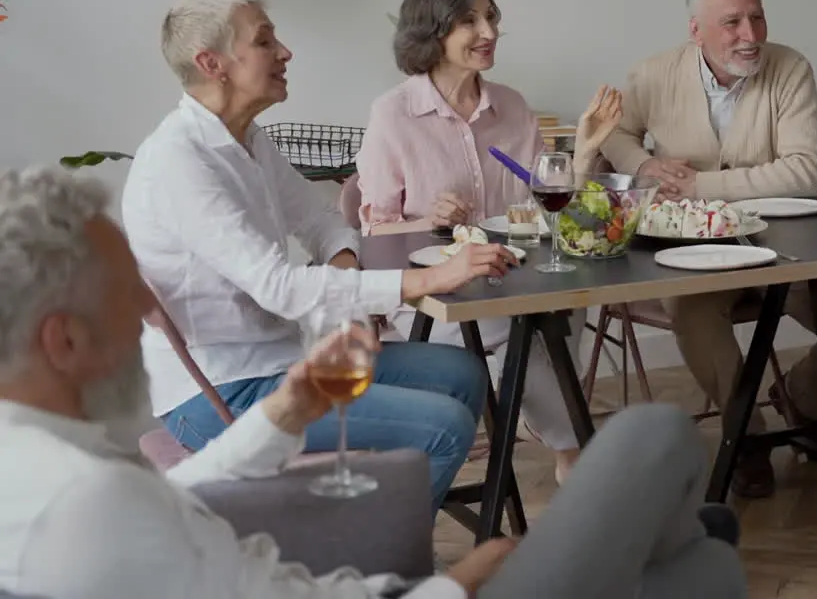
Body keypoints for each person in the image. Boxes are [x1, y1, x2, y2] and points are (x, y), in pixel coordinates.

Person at [0, 167, 749, 599]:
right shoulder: (84, 506)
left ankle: (675, 542)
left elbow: (179, 501)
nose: (146, 309)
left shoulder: (45, 464)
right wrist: (454, 586)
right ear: (61, 339)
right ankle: (672, 536)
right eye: (122, 292)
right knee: (654, 437)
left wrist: (289, 410)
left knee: (705, 570)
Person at [120, 0, 518, 511]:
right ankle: (370, 561)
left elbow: (323, 221)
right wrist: (418, 281)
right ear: (211, 64)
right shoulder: (179, 161)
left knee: (462, 373)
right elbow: (277, 288)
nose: (285, 52)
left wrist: (350, 299)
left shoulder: (247, 139)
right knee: (444, 428)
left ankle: (383, 530)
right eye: (265, 41)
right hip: (222, 393)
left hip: (284, 360)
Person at [600, 0, 817, 499]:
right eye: (732, 22)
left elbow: (807, 173)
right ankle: (746, 439)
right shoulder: (652, 74)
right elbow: (613, 135)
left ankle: (798, 401)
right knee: (694, 311)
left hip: (784, 246)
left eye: (757, 18)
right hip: (693, 251)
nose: (750, 35)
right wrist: (643, 166)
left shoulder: (790, 68)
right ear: (696, 30)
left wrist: (702, 185)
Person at [357, 0, 621, 483]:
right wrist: (427, 221)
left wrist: (584, 150)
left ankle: (558, 439)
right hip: (440, 301)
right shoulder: (393, 114)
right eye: (469, 20)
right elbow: (375, 232)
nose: (489, 31)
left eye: (491, 17)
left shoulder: (512, 106)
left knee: (562, 303)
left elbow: (553, 208)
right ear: (433, 32)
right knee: (537, 336)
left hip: (517, 283)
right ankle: (576, 456)